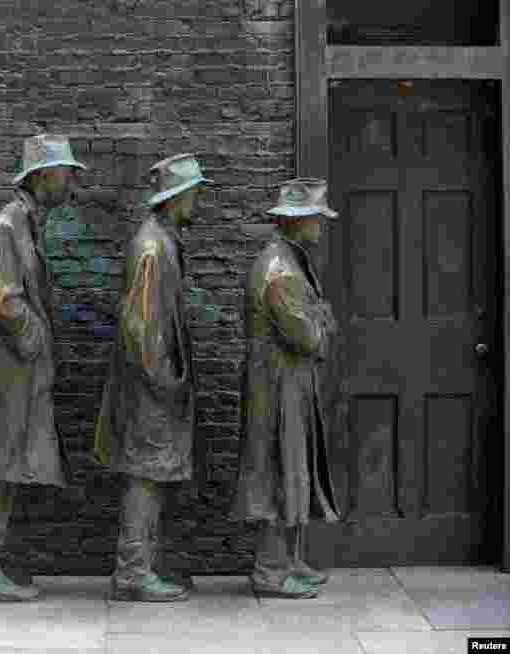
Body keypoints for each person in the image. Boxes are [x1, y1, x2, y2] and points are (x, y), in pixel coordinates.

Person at [0, 134, 86, 602]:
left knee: (10, 467)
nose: (71, 180)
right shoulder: (6, 227)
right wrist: (38, 344)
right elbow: (5, 301)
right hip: (9, 372)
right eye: (64, 171)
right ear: (40, 176)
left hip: (22, 370)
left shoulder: (27, 224)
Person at [94, 153, 209, 601]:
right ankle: (132, 572)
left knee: (153, 473)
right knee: (145, 475)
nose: (198, 202)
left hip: (154, 382)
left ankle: (143, 565)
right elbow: (140, 324)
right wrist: (163, 379)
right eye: (194, 194)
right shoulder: (151, 247)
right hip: (149, 386)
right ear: (176, 198)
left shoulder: (162, 241)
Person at [232, 178, 341, 599]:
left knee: (294, 471)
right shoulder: (280, 270)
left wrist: (319, 317)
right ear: (298, 221)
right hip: (278, 389)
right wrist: (323, 319)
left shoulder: (289, 261)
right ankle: (270, 570)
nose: (320, 225)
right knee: (280, 473)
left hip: (289, 384)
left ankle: (288, 559)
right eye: (316, 218)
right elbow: (308, 336)